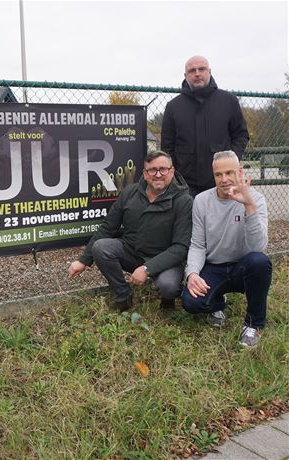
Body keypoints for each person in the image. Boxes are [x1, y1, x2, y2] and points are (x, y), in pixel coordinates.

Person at [68, 151, 193, 310]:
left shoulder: (184, 201)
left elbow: (180, 248)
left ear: (172, 171)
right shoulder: (130, 192)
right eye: (152, 170)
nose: (158, 174)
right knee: (101, 247)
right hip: (133, 252)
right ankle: (123, 295)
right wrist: (83, 260)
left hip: (166, 260)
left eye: (163, 169)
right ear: (145, 174)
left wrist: (147, 269)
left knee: (168, 286)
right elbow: (108, 226)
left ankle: (167, 299)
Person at [182, 151, 271, 348]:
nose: (224, 179)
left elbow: (259, 247)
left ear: (240, 172)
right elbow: (197, 244)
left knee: (260, 262)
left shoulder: (256, 199)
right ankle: (217, 302)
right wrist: (192, 274)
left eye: (229, 173)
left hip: (244, 267)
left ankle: (253, 325)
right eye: (218, 174)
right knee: (191, 302)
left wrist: (248, 206)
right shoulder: (202, 201)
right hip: (214, 267)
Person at [161, 55, 249, 196]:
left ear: (209, 71)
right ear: (185, 75)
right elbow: (167, 145)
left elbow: (241, 135)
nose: (197, 73)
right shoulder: (173, 107)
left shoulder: (228, 101)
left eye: (201, 69)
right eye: (192, 70)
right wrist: (174, 175)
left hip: (222, 182)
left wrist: (231, 160)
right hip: (185, 185)